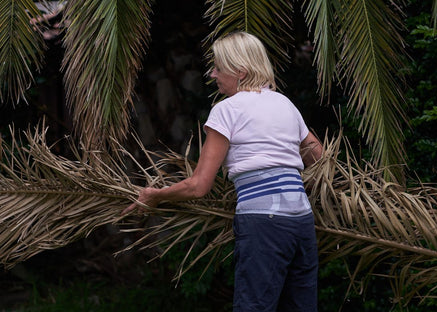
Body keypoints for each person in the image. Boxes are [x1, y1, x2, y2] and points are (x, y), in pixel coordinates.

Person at [123, 31, 323, 312]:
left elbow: (198, 186)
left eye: (218, 67)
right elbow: (318, 157)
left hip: (263, 224)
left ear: (240, 71)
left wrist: (155, 195)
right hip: (301, 221)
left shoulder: (226, 110)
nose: (212, 74)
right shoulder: (285, 104)